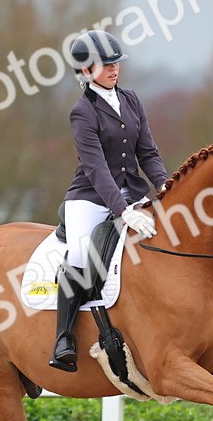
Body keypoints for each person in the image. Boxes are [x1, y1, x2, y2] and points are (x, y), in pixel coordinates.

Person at [49, 30, 168, 372]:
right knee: (82, 258)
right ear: (86, 71)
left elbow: (148, 152)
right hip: (90, 198)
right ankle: (63, 340)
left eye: (116, 62)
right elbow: (96, 166)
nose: (114, 69)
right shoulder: (82, 111)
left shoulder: (131, 99)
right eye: (105, 65)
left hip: (132, 192)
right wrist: (123, 209)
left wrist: (165, 186)